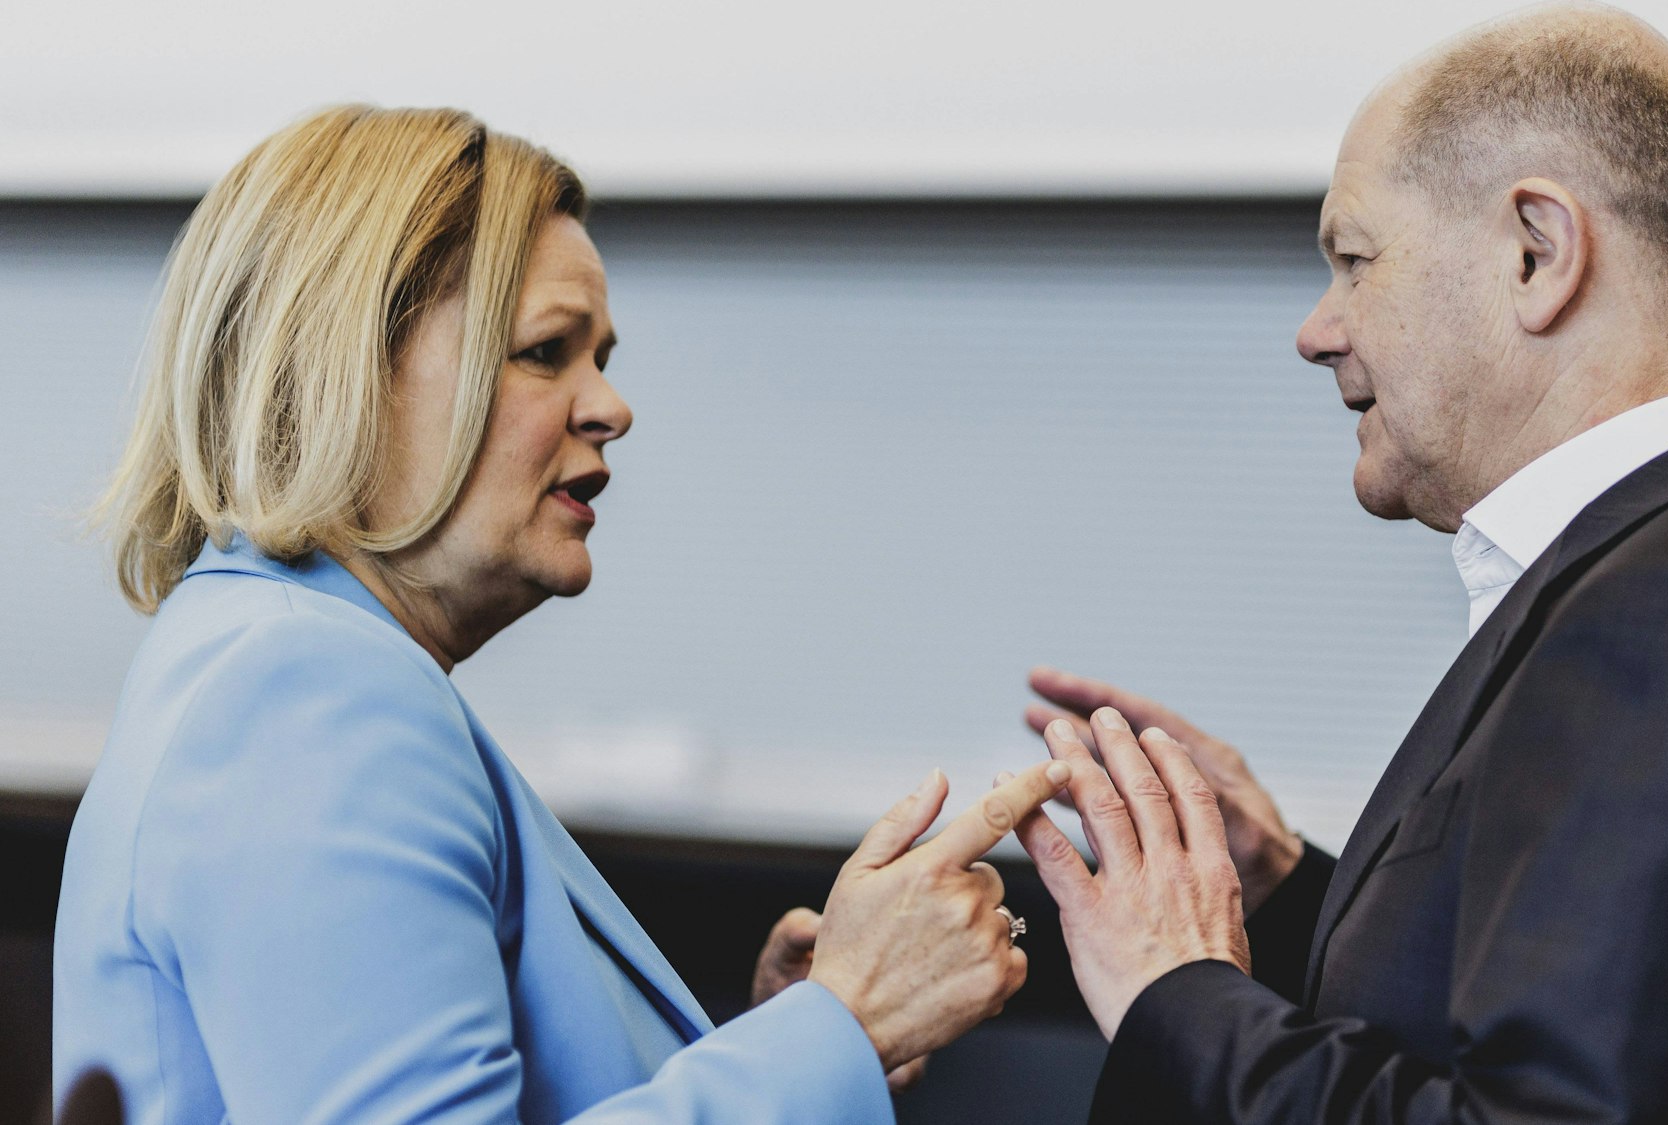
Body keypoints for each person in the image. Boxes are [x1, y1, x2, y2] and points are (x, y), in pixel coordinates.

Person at [1014, 4, 1668, 1121]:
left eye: (1354, 261)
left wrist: (1173, 987)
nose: (1315, 330)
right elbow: (1581, 1028)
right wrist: (1283, 892)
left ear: (1537, 253)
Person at [54, 104, 1071, 1123]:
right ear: (343, 371)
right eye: (546, 351)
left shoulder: (267, 657)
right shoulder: (306, 696)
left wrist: (785, 1039)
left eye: (602, 359)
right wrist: (846, 1023)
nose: (610, 408)